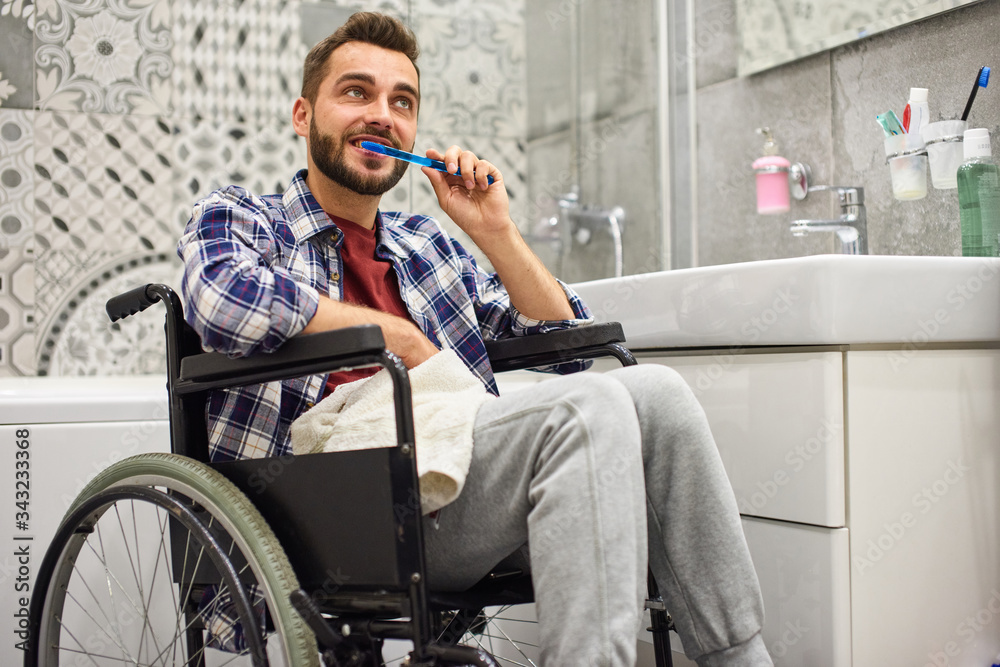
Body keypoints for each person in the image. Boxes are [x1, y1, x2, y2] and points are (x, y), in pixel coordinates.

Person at [177, 11, 772, 667]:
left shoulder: (426, 244)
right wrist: (395, 337)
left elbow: (567, 344)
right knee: (589, 408)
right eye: (356, 92)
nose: (382, 114)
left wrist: (494, 231)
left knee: (658, 391)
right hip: (327, 513)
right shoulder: (243, 217)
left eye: (402, 102)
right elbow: (221, 299)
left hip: (450, 486)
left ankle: (738, 657)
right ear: (303, 115)